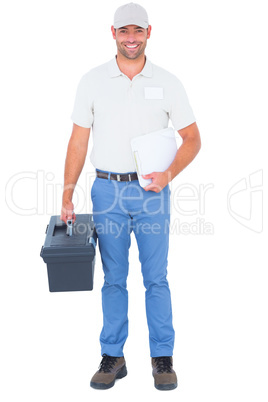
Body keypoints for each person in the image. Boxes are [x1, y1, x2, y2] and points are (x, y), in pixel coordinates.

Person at [61, 2, 201, 391]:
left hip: (152, 194)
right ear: (113, 34)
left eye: (137, 31)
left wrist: (168, 174)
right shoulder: (92, 80)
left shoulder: (168, 82)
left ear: (149, 33)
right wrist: (68, 192)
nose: (131, 38)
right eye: (124, 32)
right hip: (106, 191)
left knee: (156, 278)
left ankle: (162, 358)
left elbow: (192, 139)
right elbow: (78, 140)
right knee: (113, 278)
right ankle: (113, 356)